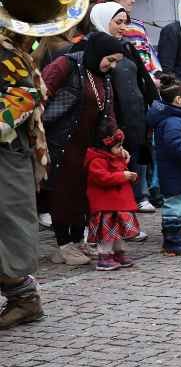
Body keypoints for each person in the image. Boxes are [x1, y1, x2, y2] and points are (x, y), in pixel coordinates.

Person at [42, 32, 127, 266]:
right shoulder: (65, 65)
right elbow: (40, 95)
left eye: (116, 62)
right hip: (60, 140)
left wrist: (116, 141)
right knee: (61, 192)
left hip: (87, 145)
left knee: (82, 194)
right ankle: (63, 245)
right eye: (110, 60)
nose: (112, 66)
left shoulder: (102, 75)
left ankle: (79, 240)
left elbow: (107, 112)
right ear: (97, 53)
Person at [88, 1, 158, 215]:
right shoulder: (91, 48)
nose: (123, 27)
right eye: (118, 22)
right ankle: (121, 210)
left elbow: (143, 78)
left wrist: (153, 102)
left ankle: (139, 197)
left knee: (136, 154)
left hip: (135, 112)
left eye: (125, 23)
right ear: (103, 20)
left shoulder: (127, 47)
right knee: (115, 162)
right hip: (113, 115)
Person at [0, 30, 49, 329]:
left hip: (5, 152)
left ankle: (25, 299)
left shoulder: (6, 51)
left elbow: (26, 94)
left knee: (9, 230)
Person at [147, 76, 181, 257]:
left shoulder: (173, 118)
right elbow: (174, 144)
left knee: (177, 204)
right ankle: (172, 241)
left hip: (176, 171)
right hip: (175, 171)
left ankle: (173, 239)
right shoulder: (173, 121)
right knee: (175, 205)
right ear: (178, 100)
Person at [84, 127, 140, 271]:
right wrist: (123, 176)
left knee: (117, 231)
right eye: (118, 146)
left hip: (118, 203)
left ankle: (118, 252)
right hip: (106, 204)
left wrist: (129, 175)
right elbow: (103, 178)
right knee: (106, 233)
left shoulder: (115, 157)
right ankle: (104, 256)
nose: (121, 149)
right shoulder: (97, 161)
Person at [97, 0, 160, 76]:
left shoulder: (139, 26)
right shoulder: (104, 27)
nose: (133, 0)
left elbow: (151, 55)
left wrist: (157, 76)